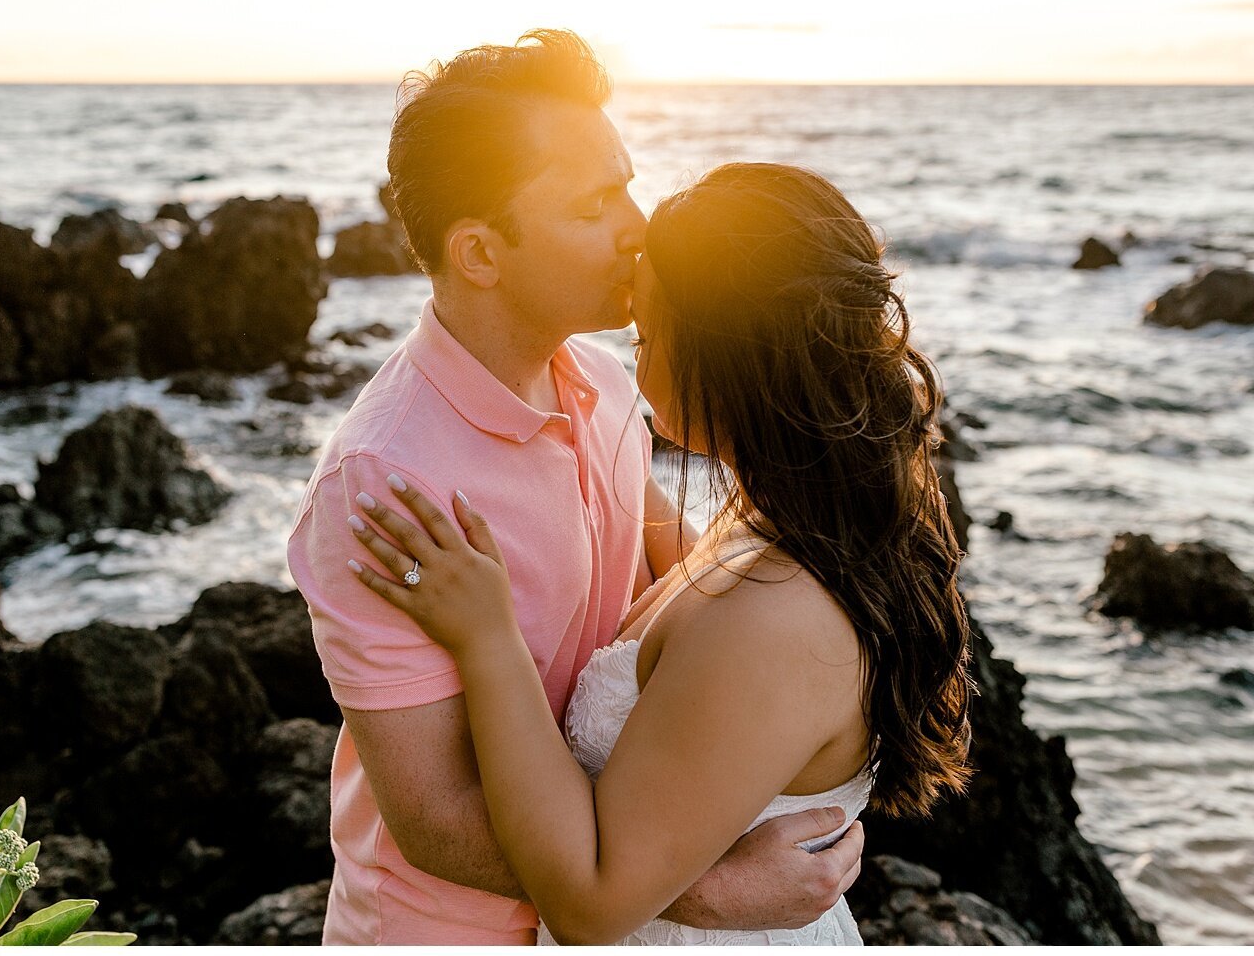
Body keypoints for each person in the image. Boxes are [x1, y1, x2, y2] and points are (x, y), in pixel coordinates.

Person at [286, 31, 866, 946]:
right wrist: (710, 892)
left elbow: (683, 581)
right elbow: (432, 815)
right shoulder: (386, 484)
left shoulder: (601, 382)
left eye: (628, 185)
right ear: (480, 253)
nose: (638, 226)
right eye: (598, 204)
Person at [347, 161, 975, 944]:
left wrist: (488, 637)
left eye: (648, 334)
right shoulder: (775, 523)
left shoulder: (776, 614)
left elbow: (590, 905)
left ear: (725, 354)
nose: (633, 362)